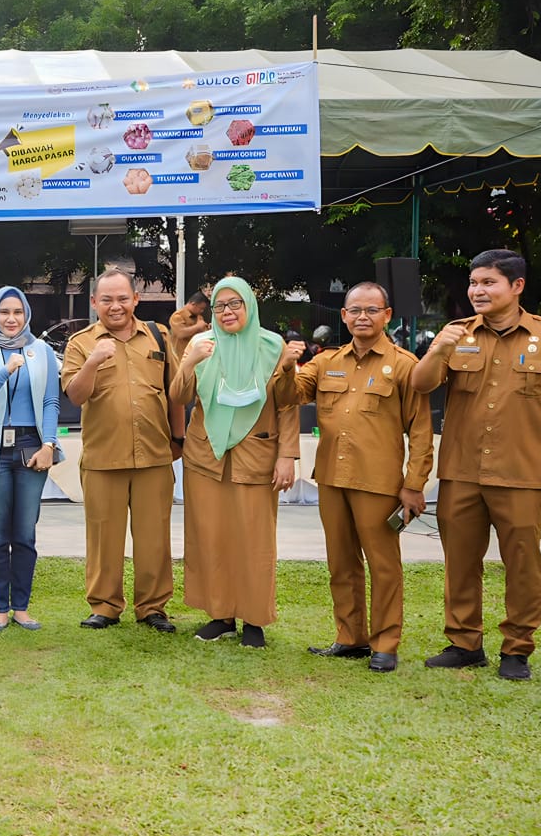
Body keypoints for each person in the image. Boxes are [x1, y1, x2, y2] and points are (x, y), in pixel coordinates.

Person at [412, 249, 541, 681]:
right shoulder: (455, 334)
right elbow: (420, 384)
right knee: (459, 560)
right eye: (474, 282)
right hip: (462, 471)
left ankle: (517, 649)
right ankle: (464, 642)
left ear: (517, 286)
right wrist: (438, 350)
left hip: (522, 472)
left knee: (523, 561)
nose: (477, 290)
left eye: (488, 282)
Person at [289, 282, 433, 673]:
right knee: (341, 562)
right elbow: (291, 394)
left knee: (383, 565)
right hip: (333, 477)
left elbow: (420, 432)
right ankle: (350, 637)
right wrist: (285, 363)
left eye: (371, 310)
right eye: (355, 310)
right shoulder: (326, 362)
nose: (362, 317)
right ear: (344, 316)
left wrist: (414, 484)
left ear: (387, 315)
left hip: (379, 482)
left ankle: (385, 643)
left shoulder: (405, 365)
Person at [173, 276, 303, 649]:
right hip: (206, 456)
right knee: (210, 538)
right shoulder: (201, 343)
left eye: (235, 305)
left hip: (256, 456)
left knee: (253, 540)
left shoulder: (272, 346)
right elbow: (178, 395)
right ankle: (220, 615)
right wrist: (191, 360)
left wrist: (287, 455)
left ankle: (253, 620)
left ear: (249, 306)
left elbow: (288, 403)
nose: (227, 312)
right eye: (219, 307)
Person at [61, 270, 184, 635]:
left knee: (154, 536)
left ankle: (153, 607)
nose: (115, 306)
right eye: (107, 300)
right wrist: (94, 361)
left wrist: (178, 438)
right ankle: (105, 605)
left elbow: (175, 390)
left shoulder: (158, 336)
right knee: (103, 536)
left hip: (154, 455)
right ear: (95, 303)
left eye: (122, 298)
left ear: (135, 300)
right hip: (103, 457)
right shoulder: (81, 343)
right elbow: (76, 395)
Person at [0, 285, 60, 633]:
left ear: (26, 315)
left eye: (17, 312)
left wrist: (48, 445)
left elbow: (51, 402)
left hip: (32, 448)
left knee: (24, 532)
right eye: (4, 312)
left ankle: (21, 607)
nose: (11, 318)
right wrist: (6, 370)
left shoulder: (42, 351)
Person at [167, 290, 210, 363]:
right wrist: (197, 327)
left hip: (197, 358)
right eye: (201, 308)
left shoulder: (198, 317)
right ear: (193, 304)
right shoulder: (177, 316)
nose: (202, 311)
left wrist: (209, 329)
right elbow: (180, 333)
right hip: (181, 359)